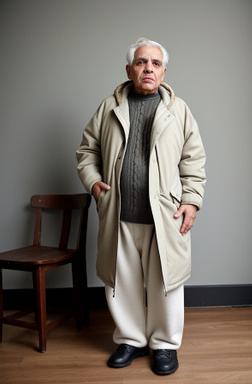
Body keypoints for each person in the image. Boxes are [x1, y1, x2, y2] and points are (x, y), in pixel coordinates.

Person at [76, 38, 206, 376]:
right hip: (118, 214)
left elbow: (194, 160)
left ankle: (164, 345)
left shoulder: (179, 110)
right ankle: (131, 340)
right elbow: (87, 152)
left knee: (167, 282)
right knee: (122, 281)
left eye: (155, 63)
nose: (148, 68)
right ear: (129, 70)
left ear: (163, 71)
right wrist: (93, 183)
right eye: (141, 62)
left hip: (165, 215)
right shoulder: (109, 107)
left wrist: (191, 200)